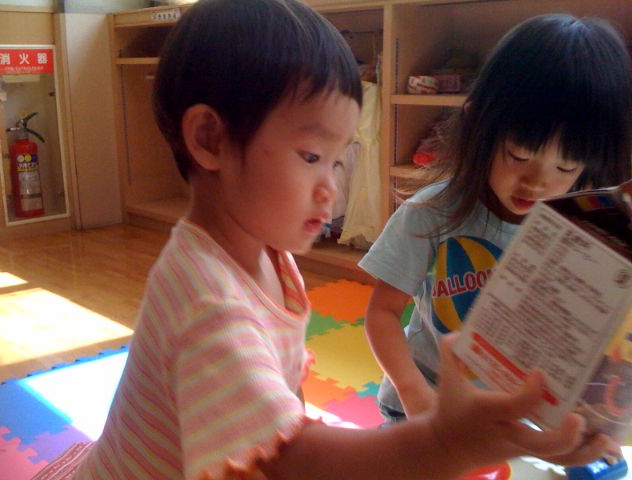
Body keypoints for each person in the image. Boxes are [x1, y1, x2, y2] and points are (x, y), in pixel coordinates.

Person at [36, 4, 618, 479]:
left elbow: (276, 417)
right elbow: (292, 464)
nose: (331, 190)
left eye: (339, 161)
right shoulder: (208, 305)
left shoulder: (262, 255)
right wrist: (443, 442)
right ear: (211, 140)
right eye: (312, 157)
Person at [360, 13, 632, 431]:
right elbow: (382, 313)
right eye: (519, 156)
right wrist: (414, 394)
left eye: (566, 167)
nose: (537, 183)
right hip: (426, 402)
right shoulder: (431, 212)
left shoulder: (580, 230)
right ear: (478, 126)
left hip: (512, 412)